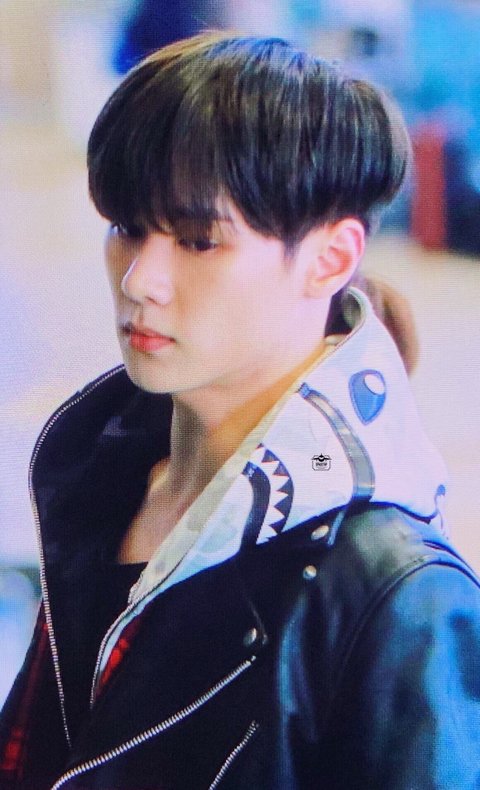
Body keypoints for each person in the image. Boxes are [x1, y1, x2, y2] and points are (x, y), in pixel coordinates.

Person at [1, 31, 479, 790]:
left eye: (198, 241)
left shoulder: (388, 583)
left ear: (329, 259)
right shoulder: (102, 464)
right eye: (127, 228)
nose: (139, 279)